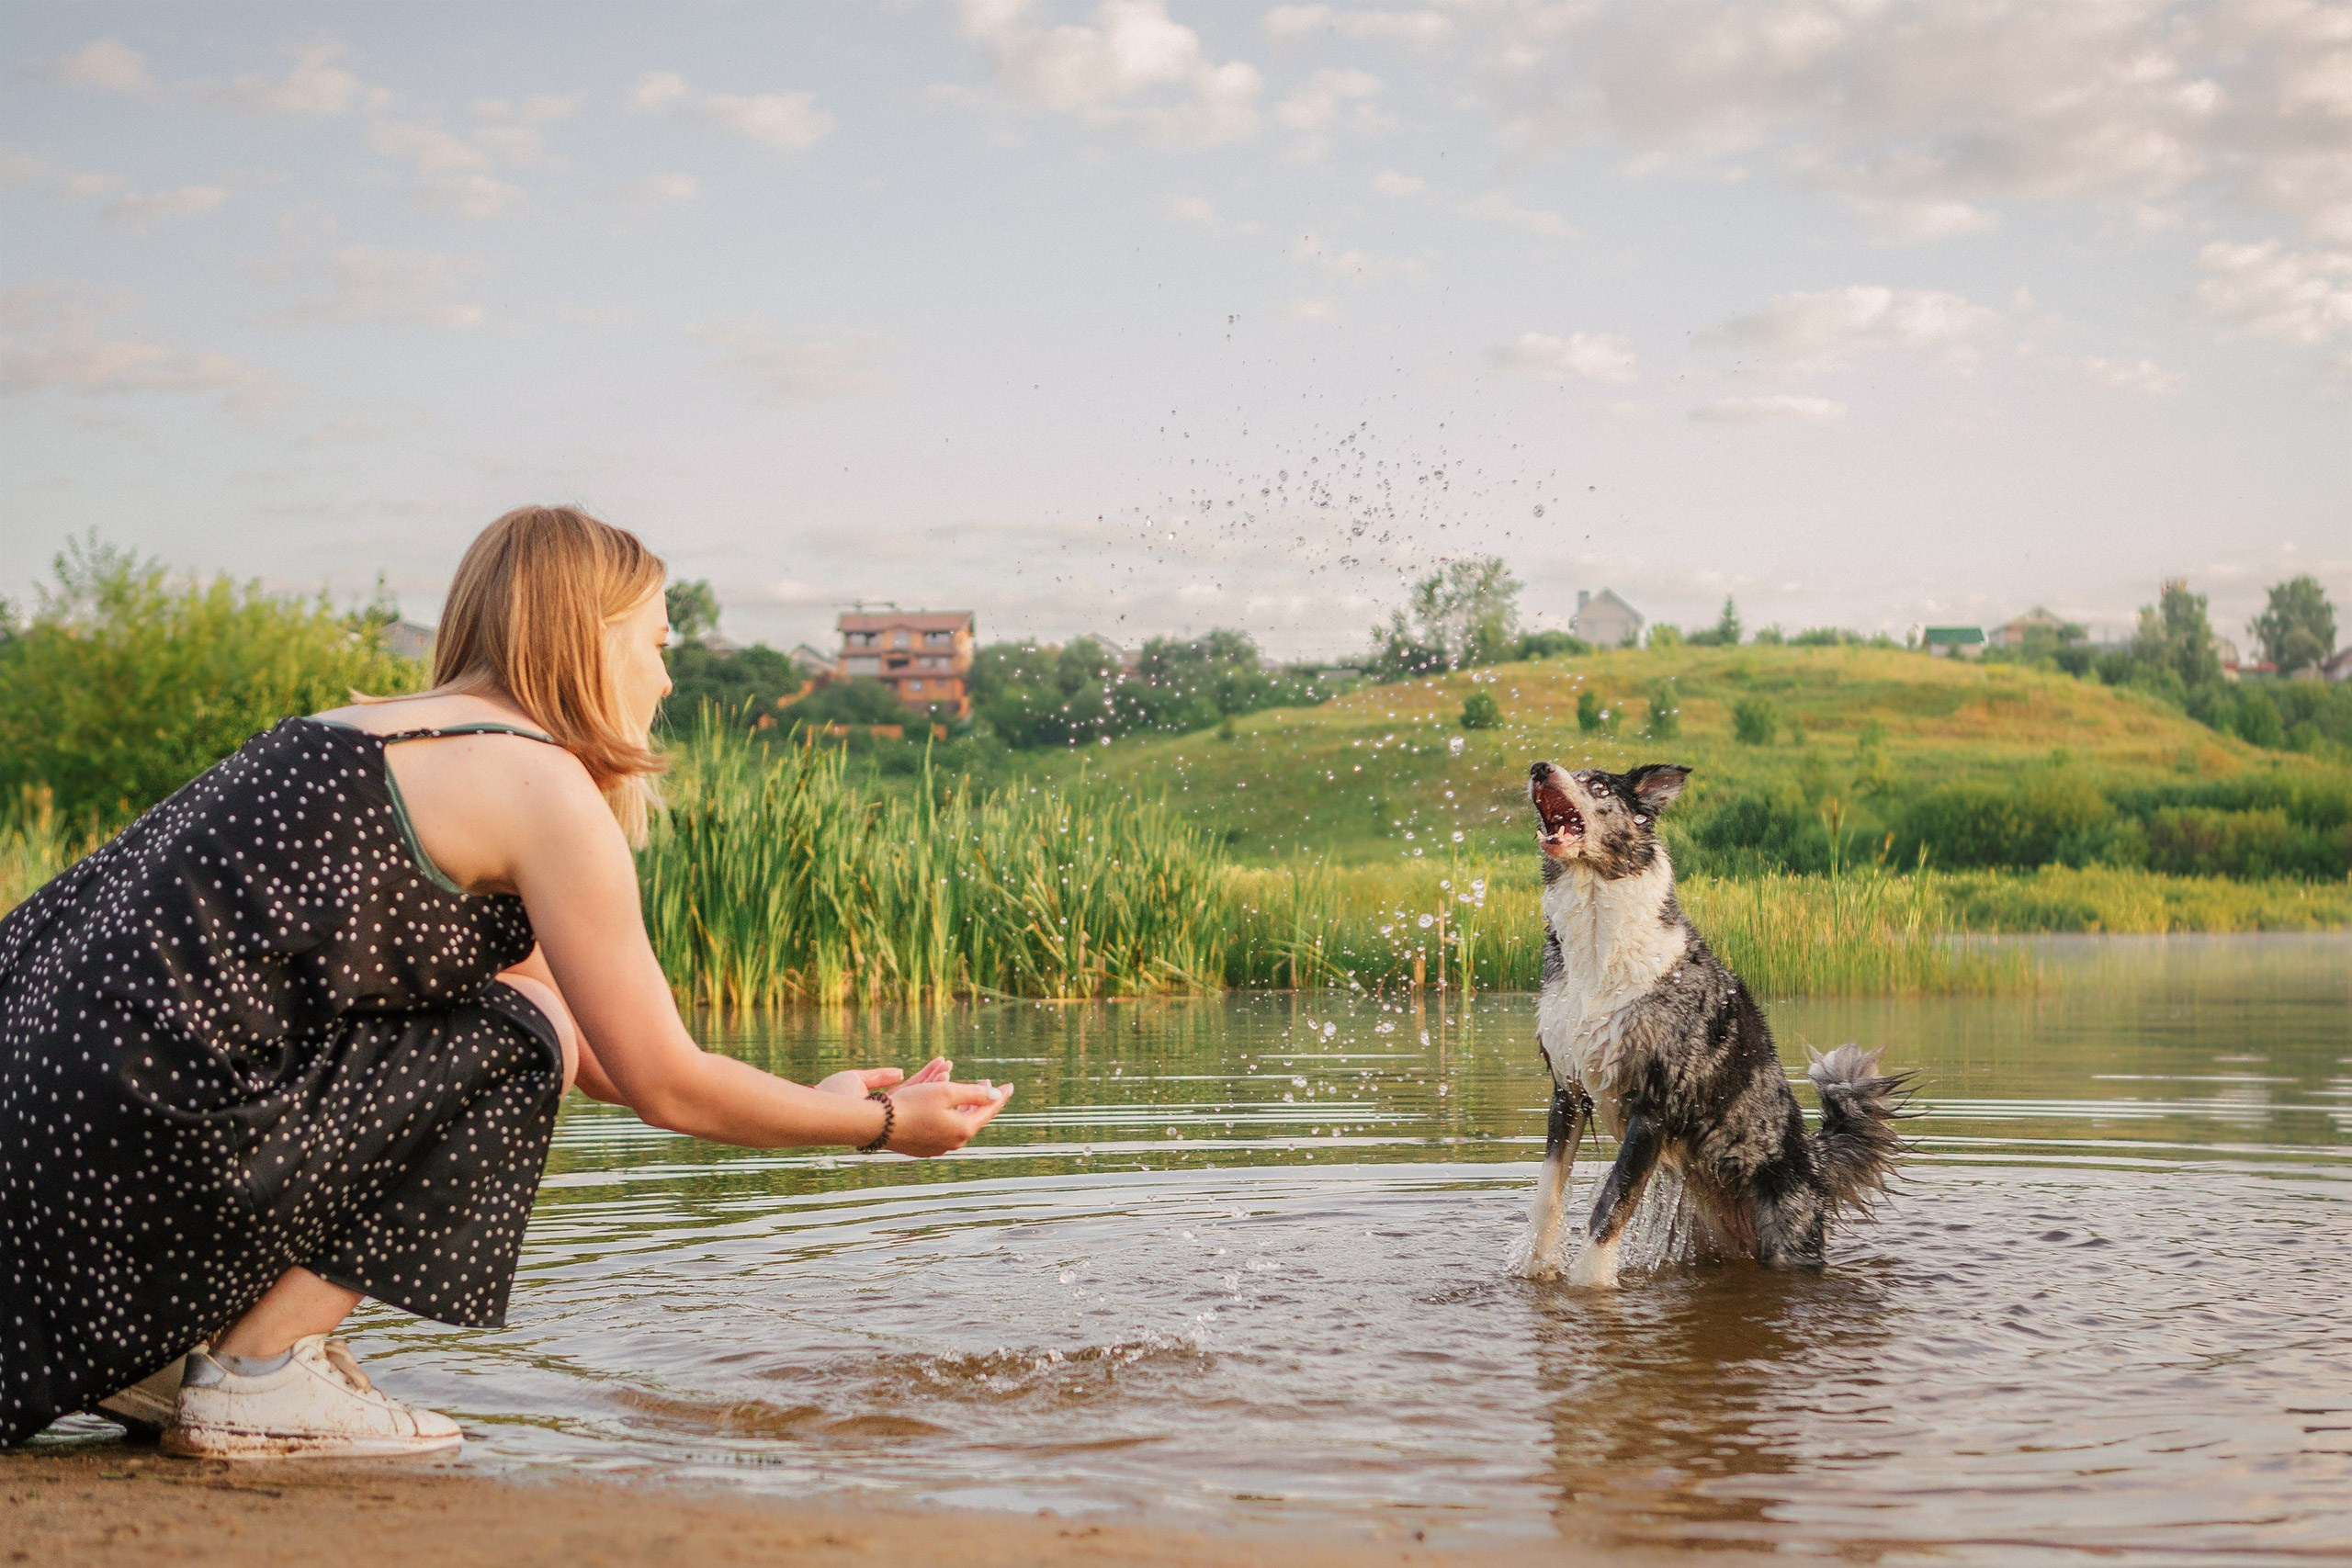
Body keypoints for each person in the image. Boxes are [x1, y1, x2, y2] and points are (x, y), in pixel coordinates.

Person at [0, 506, 1012, 1457]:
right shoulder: (538, 785)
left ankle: (172, 1352)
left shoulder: (373, 732)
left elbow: (599, 1048)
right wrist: (880, 1127)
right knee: (520, 1032)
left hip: (50, 1176)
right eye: (658, 643)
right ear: (595, 637)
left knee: (527, 1020)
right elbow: (658, 1081)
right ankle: (256, 1372)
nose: (667, 678)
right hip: (131, 1165)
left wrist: (814, 1097)